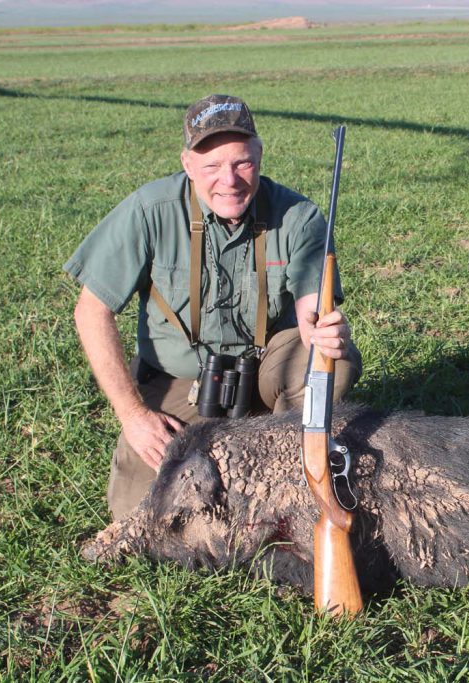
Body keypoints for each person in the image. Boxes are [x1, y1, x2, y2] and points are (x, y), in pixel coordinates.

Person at [64, 94, 362, 521]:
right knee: (137, 515)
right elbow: (90, 312)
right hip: (178, 385)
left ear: (259, 155)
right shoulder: (149, 211)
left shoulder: (298, 215)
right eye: (211, 167)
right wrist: (133, 416)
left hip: (264, 382)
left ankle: (285, 468)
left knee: (329, 360)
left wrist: (325, 331)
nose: (230, 180)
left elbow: (310, 311)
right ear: (187, 165)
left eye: (242, 163)